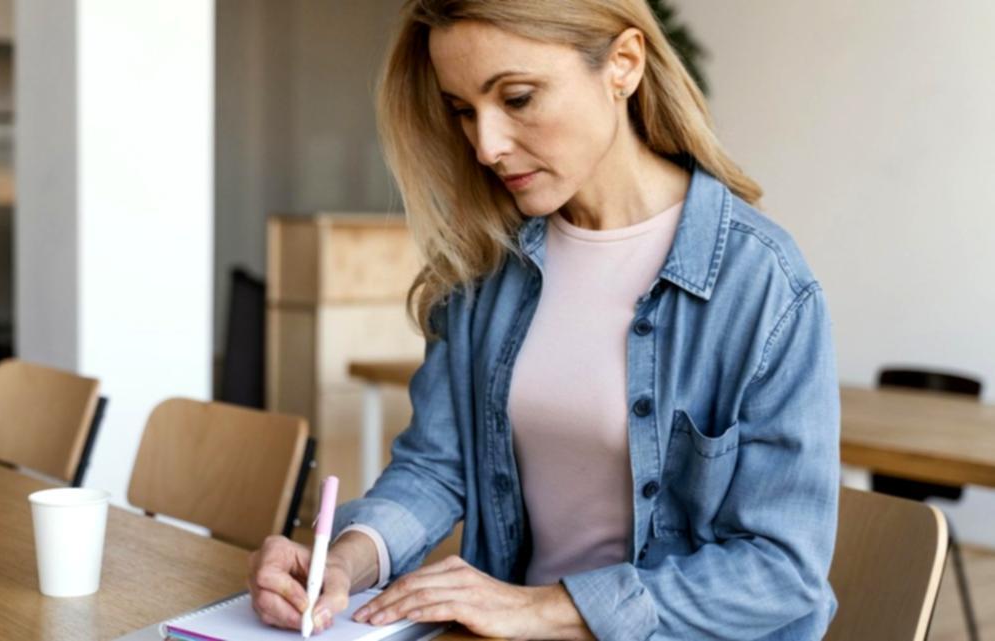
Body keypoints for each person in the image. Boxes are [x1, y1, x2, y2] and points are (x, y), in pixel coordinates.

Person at [249, 1, 840, 639]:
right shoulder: (488, 262)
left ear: (624, 64)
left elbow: (781, 568)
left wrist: (542, 608)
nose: (486, 145)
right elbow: (435, 467)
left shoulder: (763, 285)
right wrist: (347, 560)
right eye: (463, 110)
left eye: (519, 98)